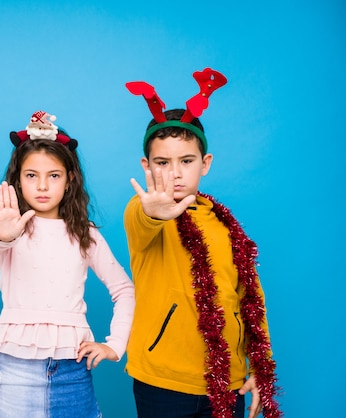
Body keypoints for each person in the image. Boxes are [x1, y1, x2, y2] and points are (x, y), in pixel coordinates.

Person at [123, 68, 281, 418]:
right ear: (147, 166)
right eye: (163, 163)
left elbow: (251, 300)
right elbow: (141, 220)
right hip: (163, 383)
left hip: (227, 384)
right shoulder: (144, 210)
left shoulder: (226, 225)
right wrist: (154, 212)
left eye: (186, 161)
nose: (175, 173)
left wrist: (260, 367)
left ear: (204, 164)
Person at [0, 110, 135, 418]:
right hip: (16, 370)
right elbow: (1, 240)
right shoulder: (3, 225)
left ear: (68, 181)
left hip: (72, 372)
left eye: (53, 175)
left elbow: (123, 289)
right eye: (31, 175)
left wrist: (115, 344)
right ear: (17, 180)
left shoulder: (84, 233)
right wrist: (4, 233)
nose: (42, 186)